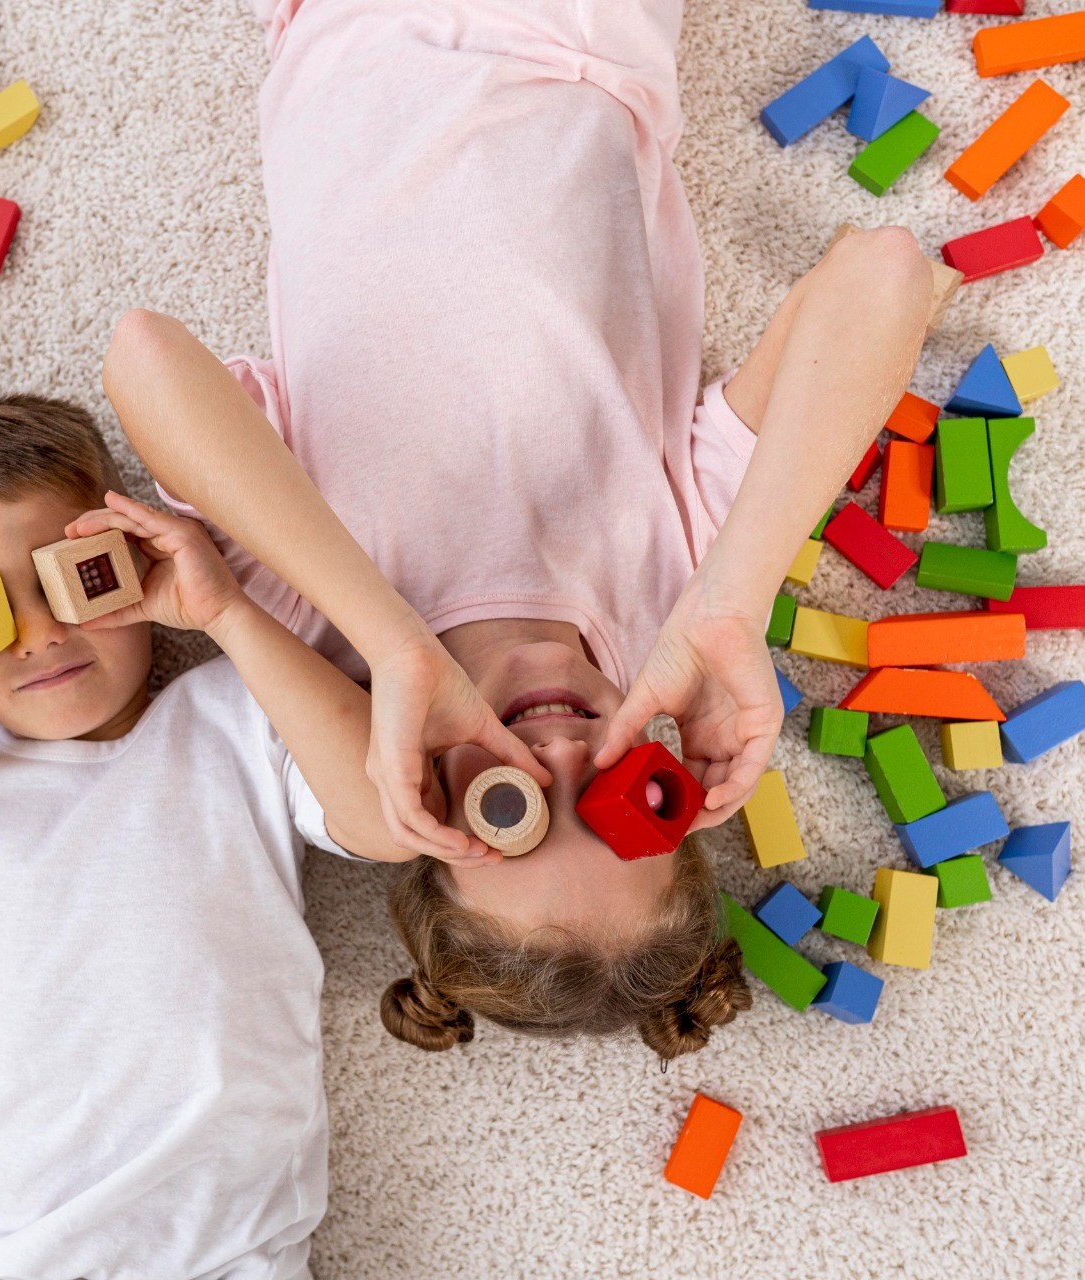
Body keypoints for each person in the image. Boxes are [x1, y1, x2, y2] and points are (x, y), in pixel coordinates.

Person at [96, 0, 935, 1058]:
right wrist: (731, 600)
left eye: (513, 807)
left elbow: (141, 357)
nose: (561, 747)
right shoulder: (679, 586)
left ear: (430, 811)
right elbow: (885, 272)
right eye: (625, 794)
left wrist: (396, 641)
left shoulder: (320, 601)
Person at [0, 396, 434, 1279]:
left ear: (135, 559)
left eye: (72, 580)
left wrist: (227, 614)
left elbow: (388, 824)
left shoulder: (237, 711)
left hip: (222, 1251)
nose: (40, 634)